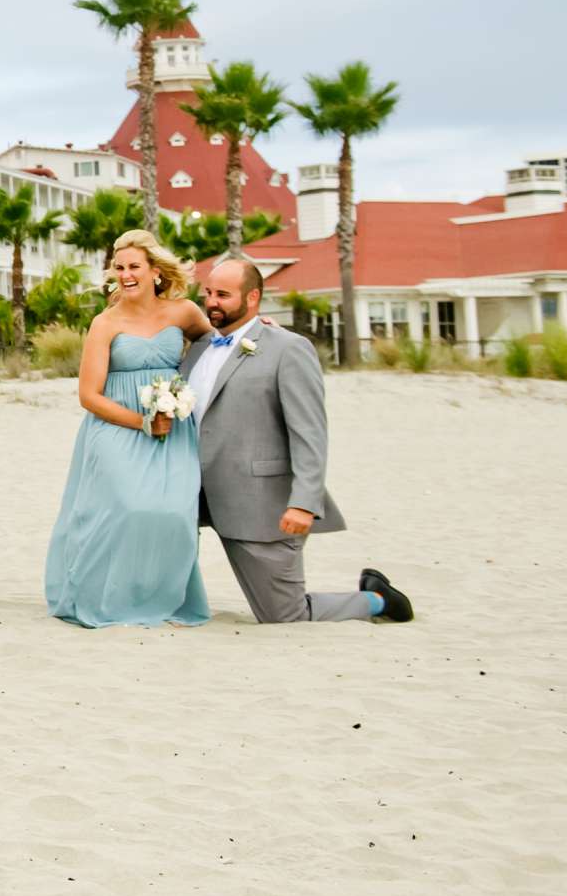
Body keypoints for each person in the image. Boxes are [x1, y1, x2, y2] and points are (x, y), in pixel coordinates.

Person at [183, 257, 414, 625]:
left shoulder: (288, 348)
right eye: (208, 292)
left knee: (283, 614)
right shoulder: (196, 348)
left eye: (223, 295)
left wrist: (304, 503)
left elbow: (310, 432)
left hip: (260, 501)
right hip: (192, 496)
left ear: (253, 297)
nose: (212, 301)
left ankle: (376, 600)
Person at [44, 230, 215, 628]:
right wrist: (140, 421)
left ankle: (164, 597)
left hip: (172, 427)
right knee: (125, 508)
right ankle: (105, 598)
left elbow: (218, 346)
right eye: (119, 268)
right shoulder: (105, 324)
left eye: (134, 266)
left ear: (155, 271)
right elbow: (89, 395)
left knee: (173, 513)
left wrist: (262, 330)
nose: (126, 275)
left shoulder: (184, 312)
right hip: (116, 426)